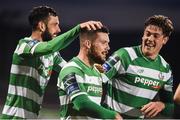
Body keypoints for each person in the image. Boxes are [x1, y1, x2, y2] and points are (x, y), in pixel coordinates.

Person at [1, 6, 103, 119]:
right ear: (41, 26)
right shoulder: (24, 46)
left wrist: (90, 67)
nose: (59, 30)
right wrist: (78, 29)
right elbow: (50, 47)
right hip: (13, 117)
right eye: (55, 24)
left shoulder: (52, 55)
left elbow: (70, 69)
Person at [101, 15, 174, 119]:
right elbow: (96, 78)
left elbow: (170, 108)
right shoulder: (123, 55)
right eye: (147, 34)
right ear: (143, 35)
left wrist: (161, 105)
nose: (150, 39)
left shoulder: (166, 69)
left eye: (156, 36)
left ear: (164, 40)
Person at [57, 26, 122, 119]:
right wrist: (113, 116)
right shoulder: (71, 70)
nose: (108, 48)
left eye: (108, 43)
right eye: (104, 43)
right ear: (88, 44)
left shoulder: (96, 71)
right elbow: (82, 104)